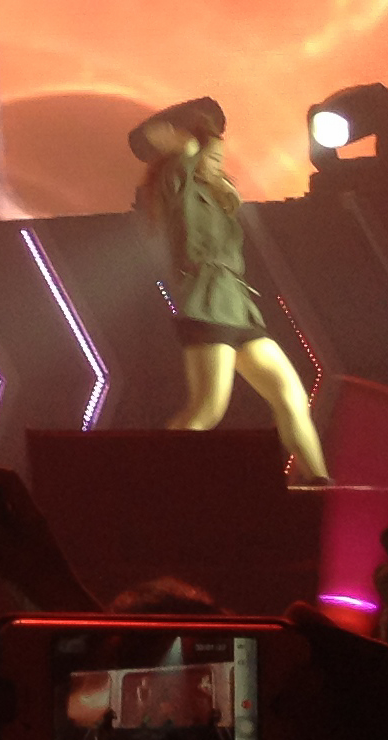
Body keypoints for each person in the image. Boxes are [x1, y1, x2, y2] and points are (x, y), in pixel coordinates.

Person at [132, 96, 330, 479]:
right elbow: (181, 150)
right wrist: (189, 139)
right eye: (212, 155)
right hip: (206, 306)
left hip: (238, 308)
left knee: (289, 395)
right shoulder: (178, 185)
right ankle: (153, 479)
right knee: (206, 410)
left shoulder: (217, 200)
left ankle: (321, 482)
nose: (218, 161)